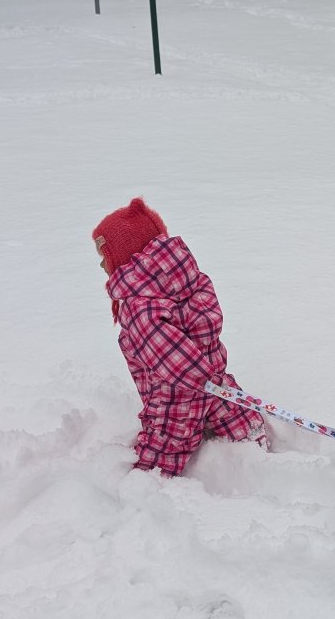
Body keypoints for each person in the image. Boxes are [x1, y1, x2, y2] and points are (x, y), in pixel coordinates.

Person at [93, 198, 268, 477]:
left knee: (165, 444)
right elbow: (209, 319)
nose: (102, 263)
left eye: (106, 254)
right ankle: (251, 437)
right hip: (214, 377)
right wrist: (209, 379)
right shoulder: (190, 279)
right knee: (230, 410)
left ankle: (148, 485)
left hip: (175, 394)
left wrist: (198, 381)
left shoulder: (140, 307)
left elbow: (169, 355)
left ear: (128, 256)